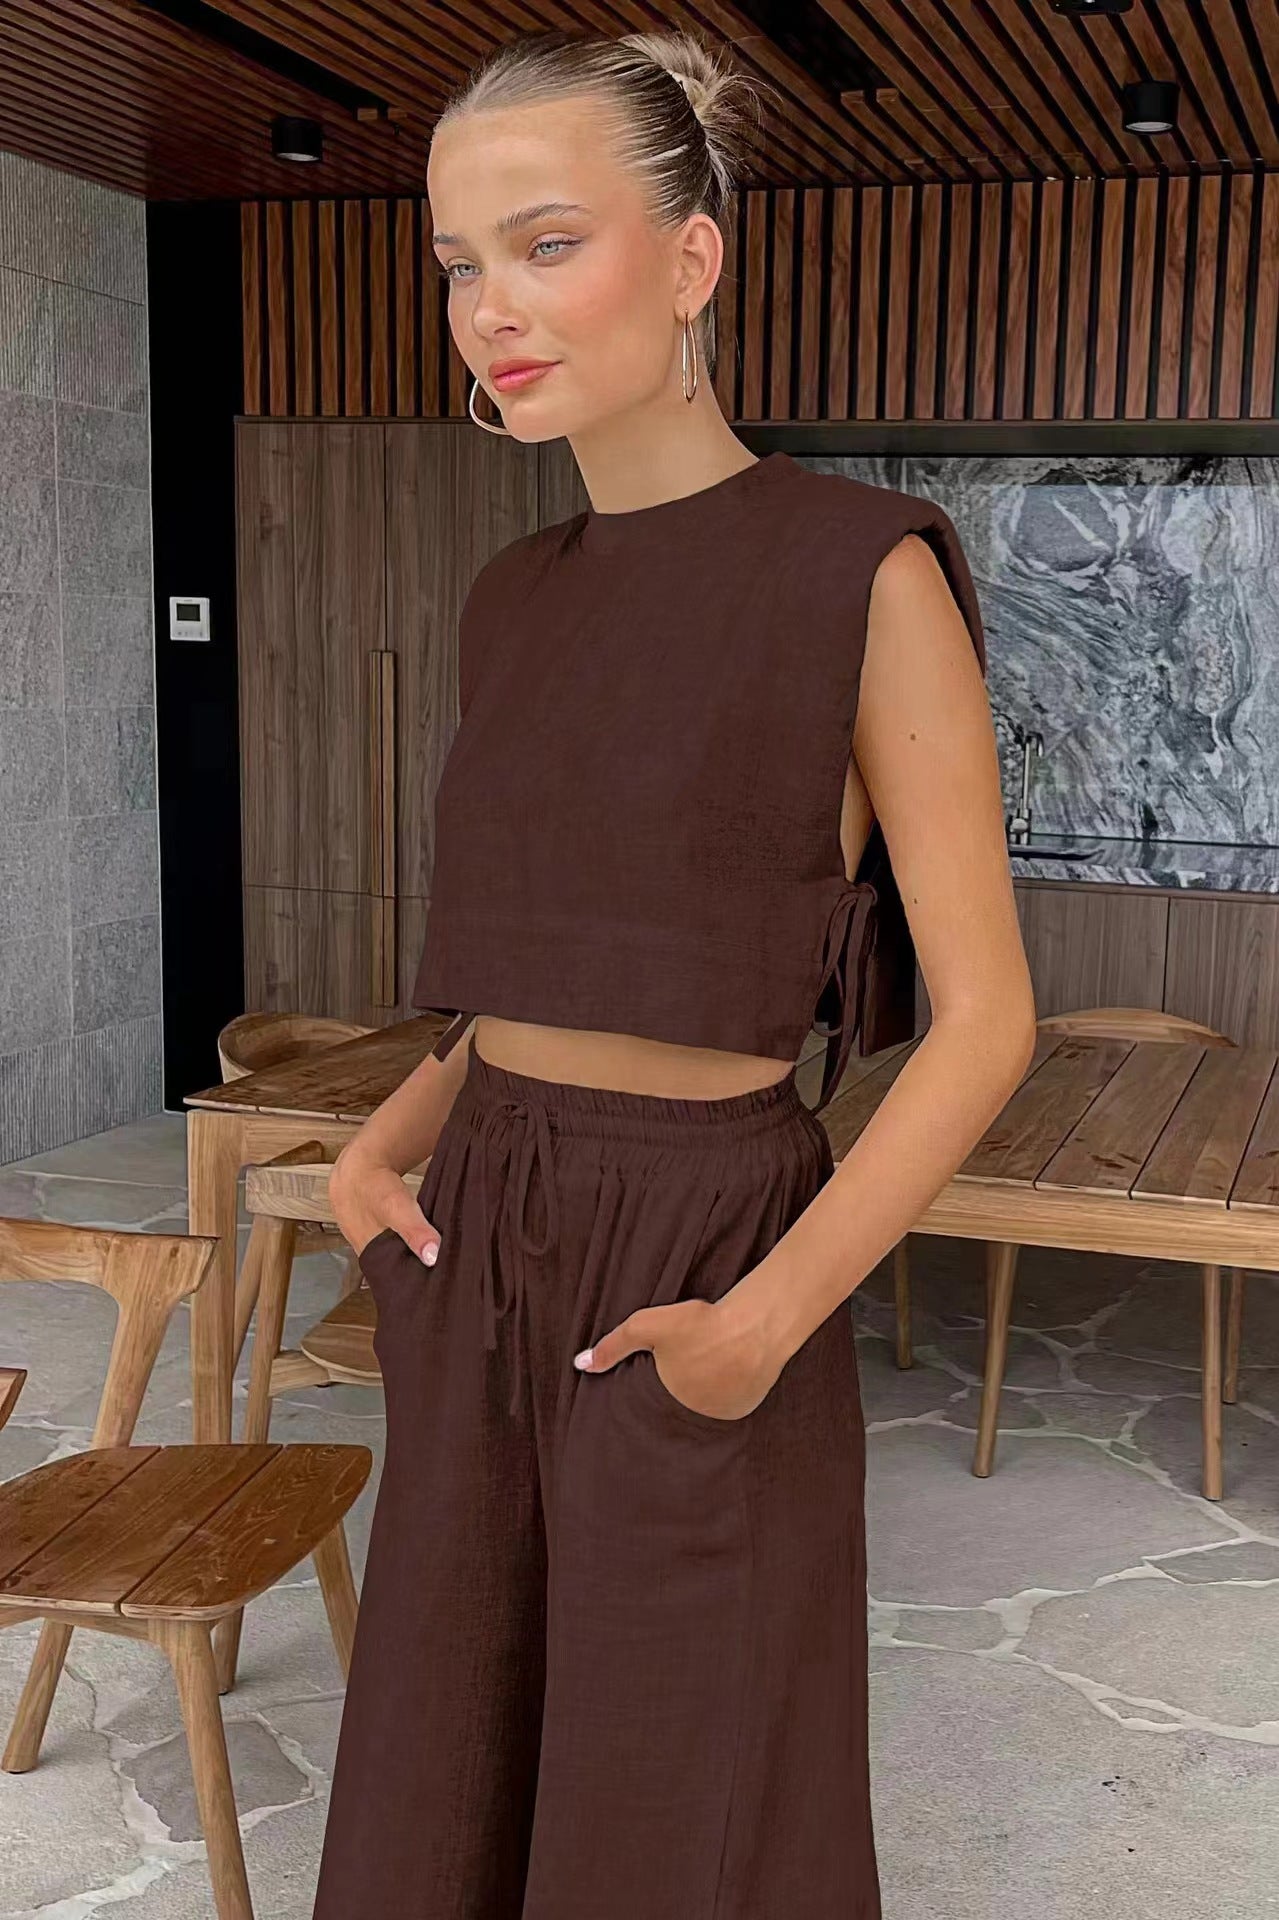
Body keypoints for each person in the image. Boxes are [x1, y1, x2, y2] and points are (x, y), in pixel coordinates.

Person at [312, 24, 1036, 1920]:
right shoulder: (514, 597)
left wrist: (761, 1325)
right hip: (482, 1214)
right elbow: (537, 967)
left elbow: (988, 1022)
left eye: (547, 244)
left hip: (706, 1240)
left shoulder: (859, 571)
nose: (489, 308)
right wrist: (380, 1146)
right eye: (460, 262)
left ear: (694, 256)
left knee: (681, 1800)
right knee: (446, 1760)